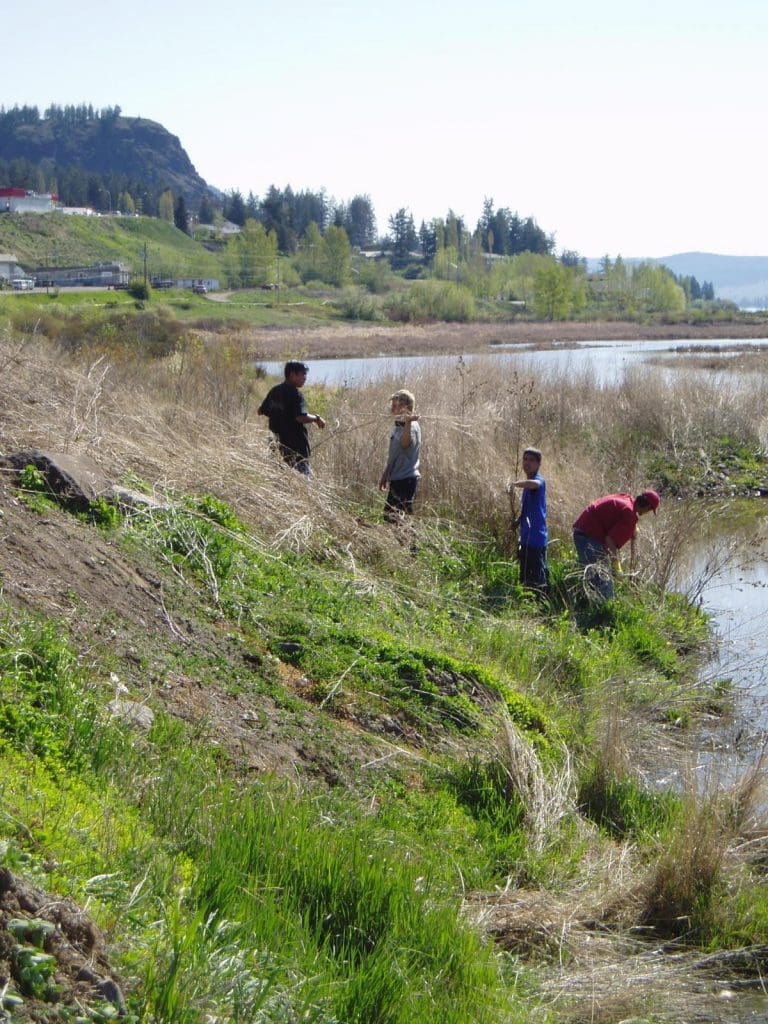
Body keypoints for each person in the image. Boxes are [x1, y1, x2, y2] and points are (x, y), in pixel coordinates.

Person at [572, 490, 661, 600]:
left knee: (593, 580)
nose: (648, 512)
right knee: (605, 589)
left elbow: (615, 516)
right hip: (588, 538)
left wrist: (632, 525)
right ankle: (602, 613)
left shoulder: (627, 499)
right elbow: (610, 541)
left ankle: (584, 602)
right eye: (650, 509)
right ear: (646, 507)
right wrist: (616, 566)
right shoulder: (629, 515)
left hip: (583, 531)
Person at [257, 361, 325, 474]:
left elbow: (261, 411)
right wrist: (316, 418)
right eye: (302, 374)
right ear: (292, 375)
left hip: (277, 449)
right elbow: (300, 417)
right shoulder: (296, 394)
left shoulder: (275, 391)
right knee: (302, 486)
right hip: (296, 452)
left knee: (280, 484)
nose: (305, 378)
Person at [378, 389, 421, 522]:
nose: (392, 408)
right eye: (392, 405)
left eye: (396, 405)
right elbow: (395, 453)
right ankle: (407, 542)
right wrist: (386, 474)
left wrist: (408, 423)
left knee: (397, 518)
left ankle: (410, 543)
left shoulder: (411, 426)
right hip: (397, 477)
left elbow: (405, 444)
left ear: (406, 407)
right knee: (393, 517)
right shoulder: (399, 425)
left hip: (406, 479)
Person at [512, 447, 548, 597]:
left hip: (536, 538)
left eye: (531, 460)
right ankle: (528, 602)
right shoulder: (527, 485)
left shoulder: (537, 481)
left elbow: (535, 484)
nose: (527, 463)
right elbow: (528, 510)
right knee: (526, 575)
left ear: (539, 464)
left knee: (536, 578)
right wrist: (518, 521)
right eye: (525, 459)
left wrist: (514, 484)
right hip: (526, 536)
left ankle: (539, 605)